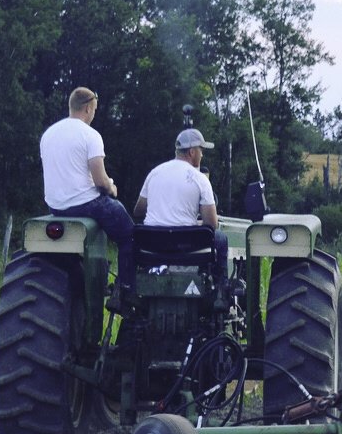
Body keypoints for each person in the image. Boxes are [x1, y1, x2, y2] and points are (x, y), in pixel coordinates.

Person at [40, 87, 134, 302]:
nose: (94, 114)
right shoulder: (90, 135)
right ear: (88, 108)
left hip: (55, 206)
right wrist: (112, 188)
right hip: (85, 204)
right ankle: (126, 288)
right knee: (129, 235)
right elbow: (100, 182)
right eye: (94, 110)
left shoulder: (49, 134)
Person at [134, 127, 230, 293]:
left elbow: (139, 211)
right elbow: (212, 224)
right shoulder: (200, 179)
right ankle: (219, 289)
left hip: (153, 246)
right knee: (221, 238)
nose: (202, 155)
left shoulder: (154, 173)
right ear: (192, 152)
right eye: (201, 150)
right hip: (185, 247)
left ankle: (127, 286)